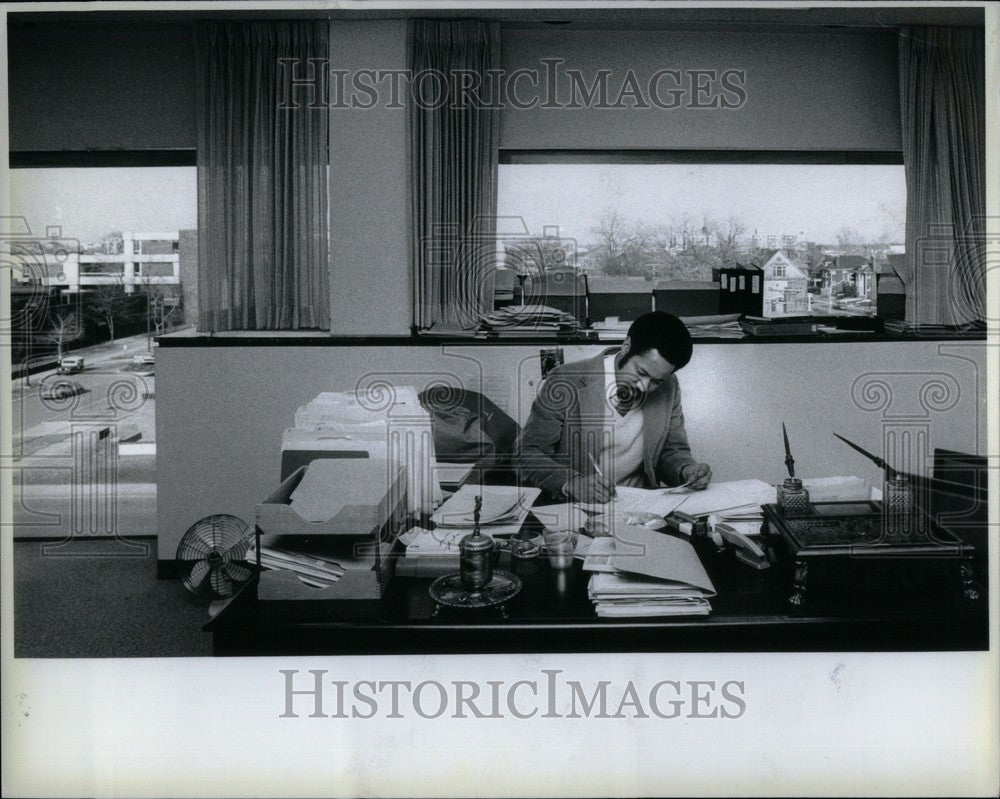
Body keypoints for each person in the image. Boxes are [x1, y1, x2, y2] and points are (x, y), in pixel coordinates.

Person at [515, 311, 712, 503]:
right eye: (641, 372)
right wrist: (572, 483)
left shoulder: (669, 387)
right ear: (626, 347)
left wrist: (686, 470)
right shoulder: (566, 380)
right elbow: (526, 454)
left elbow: (670, 452)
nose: (643, 387)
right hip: (578, 507)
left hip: (639, 507)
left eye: (656, 381)